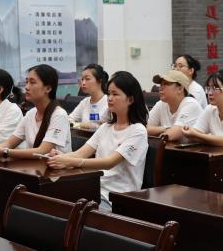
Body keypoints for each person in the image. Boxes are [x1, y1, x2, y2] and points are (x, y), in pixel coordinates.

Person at [47, 71, 149, 210]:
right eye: (109, 93)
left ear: (130, 100)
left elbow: (109, 163)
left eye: (115, 94)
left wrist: (69, 161)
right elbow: (80, 154)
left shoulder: (138, 131)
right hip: (94, 188)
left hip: (116, 196)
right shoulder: (106, 127)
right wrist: (60, 157)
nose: (109, 98)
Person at [0, 64, 70, 160]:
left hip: (55, 168)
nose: (27, 87)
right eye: (26, 82)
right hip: (34, 166)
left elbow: (43, 151)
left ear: (48, 88)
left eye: (32, 83)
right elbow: (10, 143)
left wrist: (4, 151)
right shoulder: (30, 114)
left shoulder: (59, 115)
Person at [173, 68, 223, 148]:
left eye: (215, 88)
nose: (209, 93)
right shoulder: (210, 109)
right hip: (216, 155)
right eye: (208, 88)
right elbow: (193, 136)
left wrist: (198, 135)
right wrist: (190, 132)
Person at [146, 70, 203, 135]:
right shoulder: (161, 104)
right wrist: (165, 129)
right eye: (161, 84)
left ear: (180, 89)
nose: (160, 88)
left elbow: (172, 135)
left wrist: (158, 131)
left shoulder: (191, 104)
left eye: (166, 84)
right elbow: (144, 129)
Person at [67, 63, 109, 129]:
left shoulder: (109, 102)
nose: (83, 83)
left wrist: (94, 126)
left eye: (87, 79)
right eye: (82, 79)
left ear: (99, 81)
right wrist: (80, 124)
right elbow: (69, 119)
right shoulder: (85, 102)